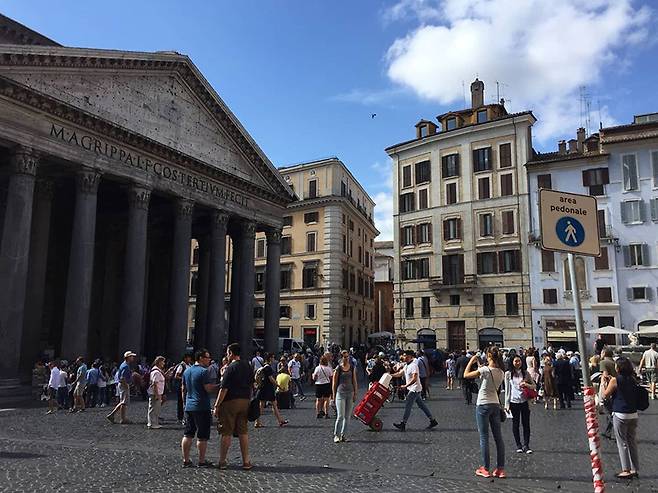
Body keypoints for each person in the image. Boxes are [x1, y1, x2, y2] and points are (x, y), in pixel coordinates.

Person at [464, 346, 506, 479]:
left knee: (484, 437)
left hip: (483, 404)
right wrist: (479, 364)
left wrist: (471, 360)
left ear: (488, 355)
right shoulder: (501, 372)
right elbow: (487, 371)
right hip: (495, 405)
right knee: (498, 438)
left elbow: (466, 375)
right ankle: (500, 469)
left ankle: (485, 468)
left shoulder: (484, 370)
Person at [214, 343, 254, 470]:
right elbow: (252, 384)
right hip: (245, 400)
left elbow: (223, 388)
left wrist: (217, 405)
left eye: (227, 352)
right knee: (243, 432)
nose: (226, 355)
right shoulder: (247, 365)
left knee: (226, 432)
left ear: (231, 353)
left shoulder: (230, 368)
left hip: (230, 401)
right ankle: (246, 461)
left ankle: (222, 461)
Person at [602, 357, 640, 479]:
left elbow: (605, 395)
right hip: (633, 414)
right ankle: (635, 468)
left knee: (622, 442)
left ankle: (626, 469)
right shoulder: (633, 379)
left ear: (618, 368)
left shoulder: (615, 380)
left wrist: (604, 383)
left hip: (620, 413)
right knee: (632, 442)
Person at [181, 348, 218, 468]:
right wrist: (220, 385)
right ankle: (201, 460)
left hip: (189, 406)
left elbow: (183, 389)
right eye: (208, 357)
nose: (209, 360)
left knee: (188, 434)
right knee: (202, 435)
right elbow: (208, 388)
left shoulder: (187, 371)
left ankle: (186, 460)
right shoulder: (204, 372)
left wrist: (185, 402)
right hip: (201, 406)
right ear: (201, 358)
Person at [391, 350, 438, 432]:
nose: (403, 357)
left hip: (415, 389)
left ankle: (403, 423)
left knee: (408, 406)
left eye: (405, 355)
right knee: (422, 405)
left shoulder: (414, 366)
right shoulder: (406, 365)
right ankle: (432, 420)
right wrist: (389, 375)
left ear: (410, 357)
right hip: (412, 388)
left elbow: (415, 378)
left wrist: (405, 386)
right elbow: (399, 374)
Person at [504, 355, 536, 454]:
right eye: (516, 361)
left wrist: (526, 385)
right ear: (512, 362)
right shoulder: (508, 374)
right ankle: (518, 445)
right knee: (515, 424)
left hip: (525, 401)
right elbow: (507, 390)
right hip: (513, 402)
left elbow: (534, 385)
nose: (518, 363)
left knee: (526, 424)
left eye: (519, 361)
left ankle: (526, 445)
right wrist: (506, 404)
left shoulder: (525, 373)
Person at [254, 353, 288, 427]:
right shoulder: (268, 368)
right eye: (273, 357)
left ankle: (258, 421)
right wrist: (279, 386)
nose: (273, 359)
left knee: (264, 405)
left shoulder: (264, 366)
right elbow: (271, 379)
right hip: (268, 389)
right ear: (270, 358)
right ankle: (280, 421)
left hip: (263, 388)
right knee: (271, 405)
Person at [332, 349, 358, 443]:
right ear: (341, 357)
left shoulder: (352, 367)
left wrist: (355, 393)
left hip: (350, 393)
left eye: (347, 356)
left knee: (347, 416)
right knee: (340, 416)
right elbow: (334, 383)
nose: (346, 358)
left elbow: (354, 381)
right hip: (340, 393)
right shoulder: (338, 368)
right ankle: (336, 435)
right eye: (344, 356)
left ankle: (344, 435)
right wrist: (334, 396)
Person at [106, 351, 136, 424]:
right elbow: (122, 378)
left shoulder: (124, 365)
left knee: (123, 402)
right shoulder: (126, 366)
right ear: (128, 358)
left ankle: (120, 417)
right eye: (131, 356)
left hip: (122, 384)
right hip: (124, 384)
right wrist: (126, 386)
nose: (133, 358)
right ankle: (118, 417)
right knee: (123, 402)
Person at [171, 354, 193, 426]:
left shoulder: (190, 365)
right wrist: (184, 378)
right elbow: (176, 376)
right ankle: (180, 418)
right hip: (182, 386)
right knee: (181, 402)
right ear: (185, 358)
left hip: (189, 386)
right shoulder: (181, 366)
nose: (190, 359)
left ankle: (187, 417)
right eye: (189, 358)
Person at [147, 356, 166, 429]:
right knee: (153, 408)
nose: (164, 363)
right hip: (156, 393)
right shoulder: (156, 372)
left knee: (155, 408)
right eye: (163, 362)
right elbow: (154, 384)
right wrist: (157, 394)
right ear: (159, 362)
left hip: (158, 392)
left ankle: (154, 422)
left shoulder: (157, 371)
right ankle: (152, 423)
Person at [312, 354, 333, 418]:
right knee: (326, 399)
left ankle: (318, 413)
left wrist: (314, 377)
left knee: (318, 399)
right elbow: (331, 377)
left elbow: (314, 377)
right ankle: (326, 413)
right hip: (326, 384)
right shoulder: (328, 368)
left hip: (318, 384)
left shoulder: (317, 368)